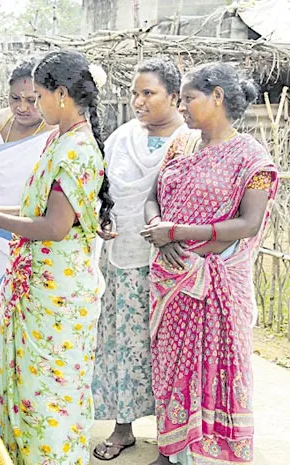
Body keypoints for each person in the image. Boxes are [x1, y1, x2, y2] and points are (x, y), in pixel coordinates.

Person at [0, 50, 113, 465]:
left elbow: (55, 227)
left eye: (40, 95)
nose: (34, 104)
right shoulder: (57, 139)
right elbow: (37, 211)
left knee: (50, 400)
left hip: (57, 298)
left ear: (61, 95)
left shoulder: (76, 149)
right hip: (38, 289)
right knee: (29, 393)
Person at [141, 63, 277, 465]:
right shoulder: (181, 146)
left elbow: (249, 223)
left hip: (216, 282)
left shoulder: (251, 157)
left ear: (217, 96)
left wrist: (177, 232)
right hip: (171, 279)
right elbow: (153, 196)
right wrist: (157, 226)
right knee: (169, 365)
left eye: (189, 98)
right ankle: (172, 451)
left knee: (217, 367)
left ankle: (214, 455)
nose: (181, 108)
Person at [91, 57, 187, 461]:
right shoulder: (122, 137)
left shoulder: (190, 141)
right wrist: (102, 217)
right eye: (135, 93)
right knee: (121, 345)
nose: (138, 101)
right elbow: (102, 187)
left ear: (176, 97)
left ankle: (172, 437)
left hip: (174, 262)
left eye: (149, 93)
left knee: (169, 349)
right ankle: (123, 429)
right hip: (122, 257)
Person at [0, 58, 54, 427]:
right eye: (16, 98)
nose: (23, 108)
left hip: (28, 245)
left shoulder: (55, 135)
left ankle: (19, 421)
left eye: (33, 99)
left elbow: (49, 206)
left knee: (21, 333)